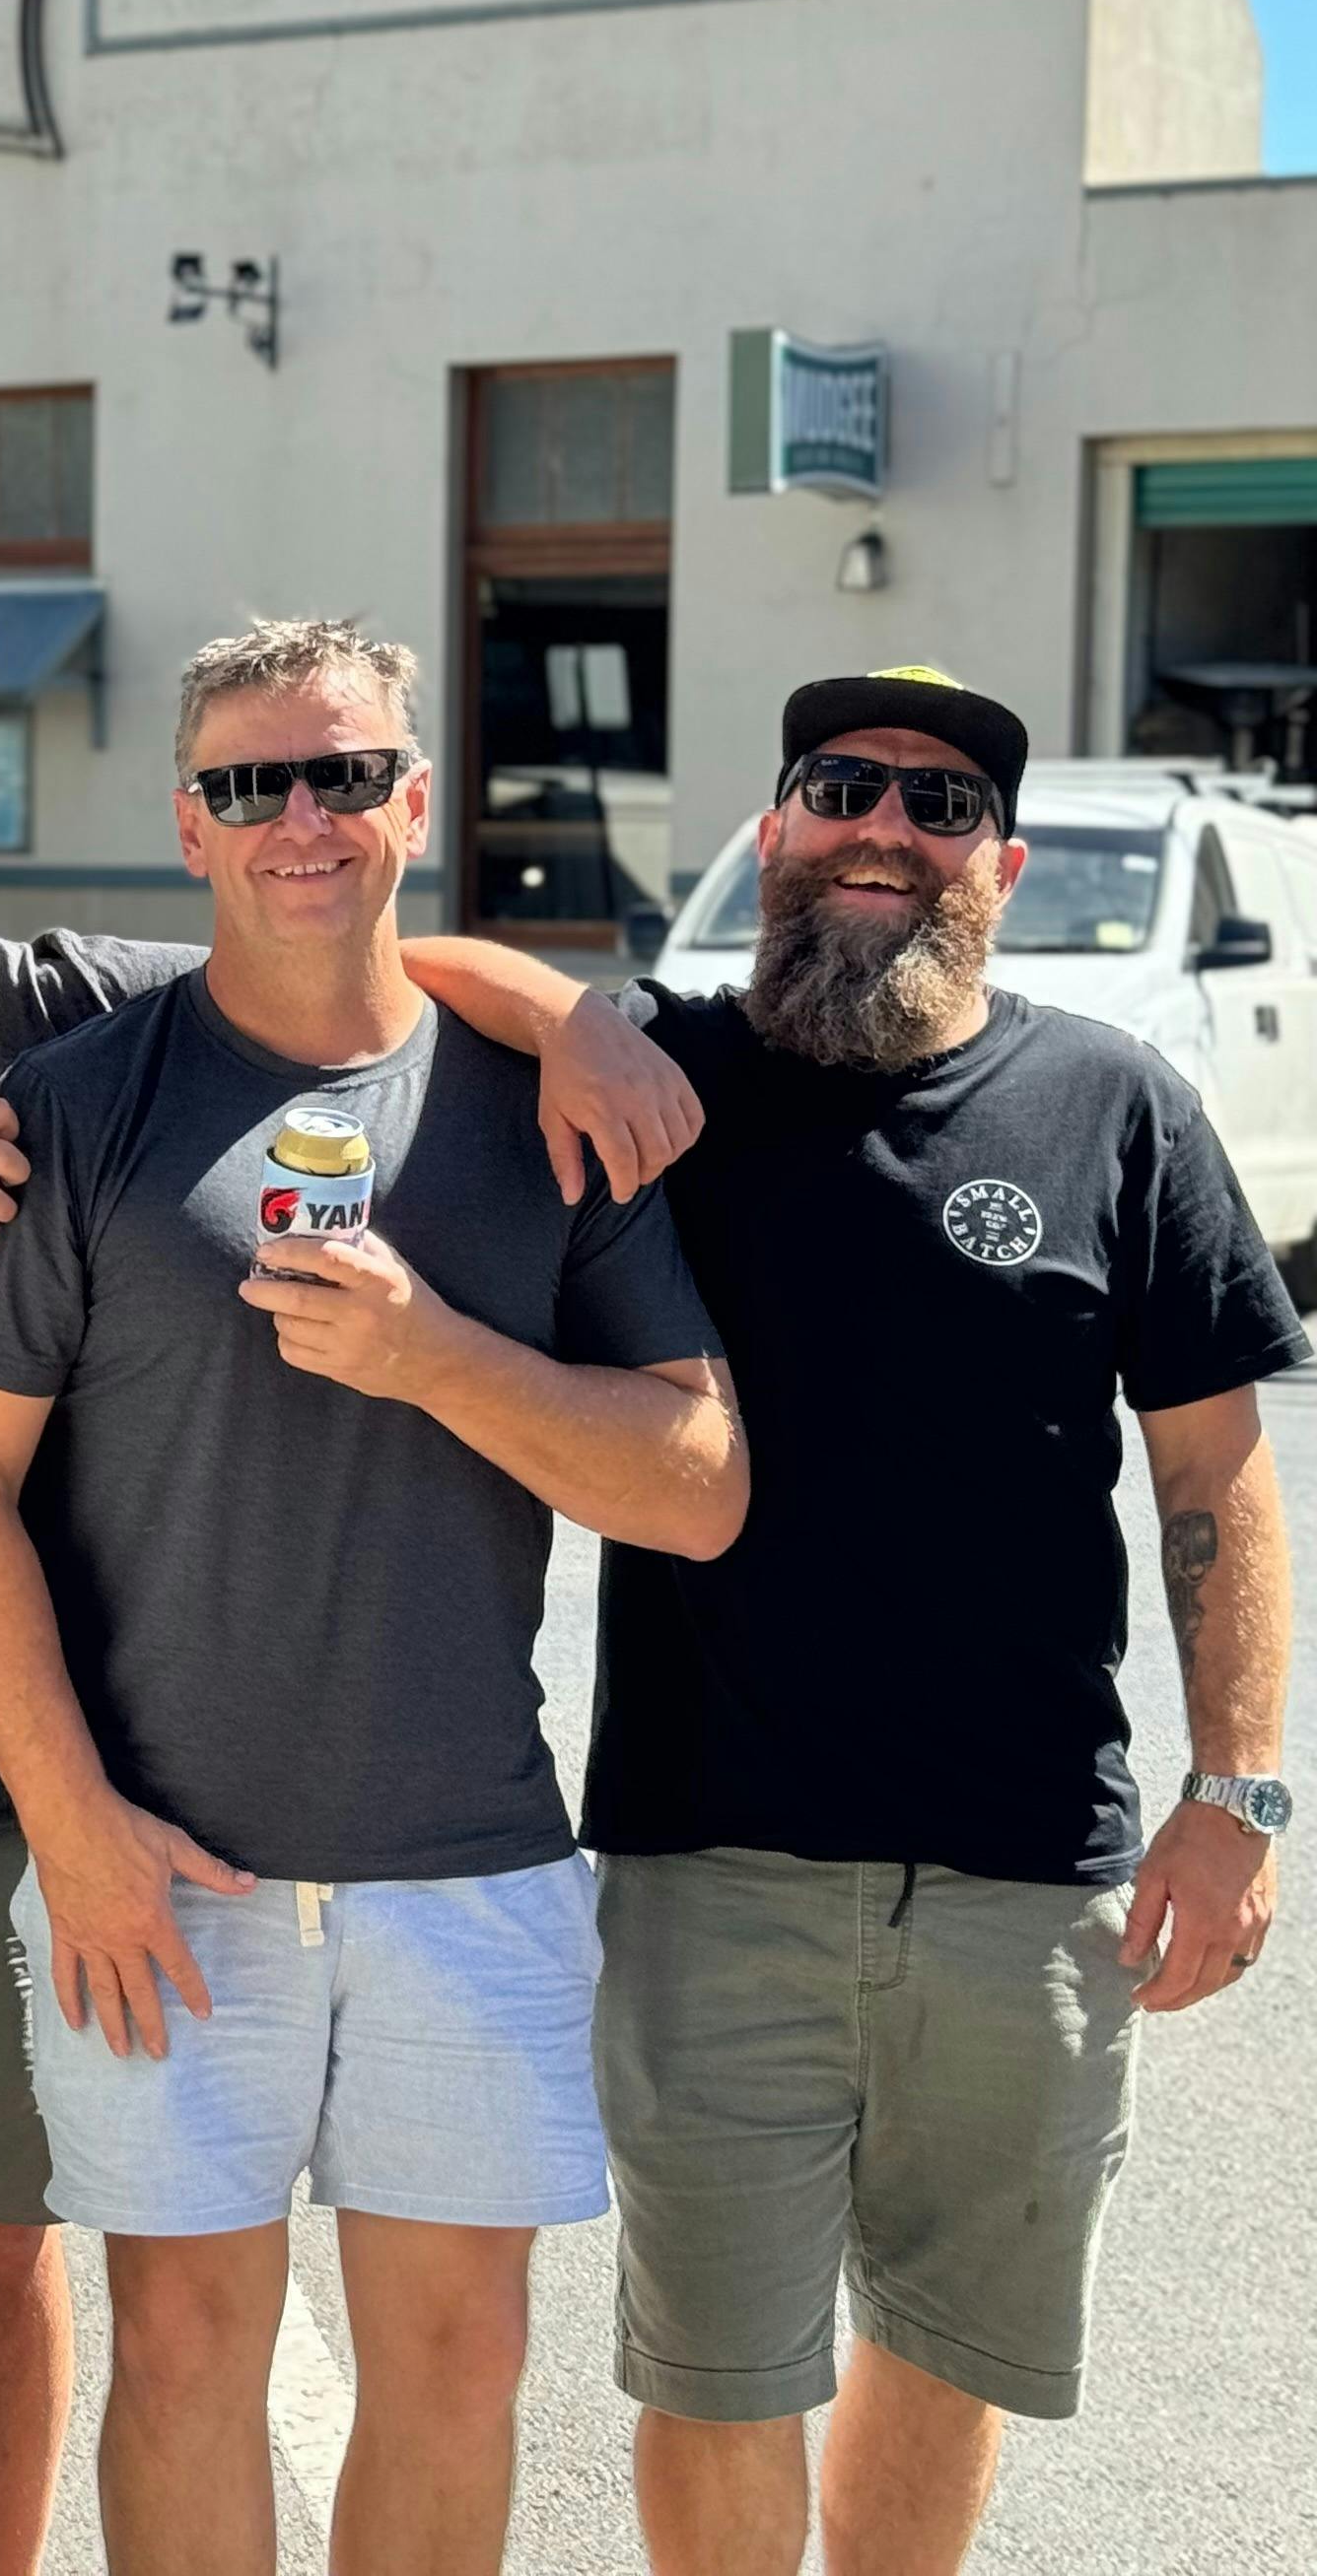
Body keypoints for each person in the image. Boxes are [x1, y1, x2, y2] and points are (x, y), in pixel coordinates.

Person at [0, 634, 699, 2576]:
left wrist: (573, 1013)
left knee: (36, 2276)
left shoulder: (70, 1009)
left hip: (25, 1796)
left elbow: (338, 963)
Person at [0, 616, 748, 2576]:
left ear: (414, 803)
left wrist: (438, 1355)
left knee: (457, 2366)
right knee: (185, 2353)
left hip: (471, 1861)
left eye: (345, 773)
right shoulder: (79, 1114)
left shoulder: (555, 1116)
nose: (302, 816)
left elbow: (699, 1496)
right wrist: (70, 1824)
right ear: (187, 823)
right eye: (250, 782)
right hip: (158, 1873)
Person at [581, 667, 1300, 2576]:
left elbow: (1220, 1474)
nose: (889, 826)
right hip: (709, 1862)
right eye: (843, 784)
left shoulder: (1113, 1104)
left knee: (946, 2351)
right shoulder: (667, 1082)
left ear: (1005, 859)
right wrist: (569, 1009)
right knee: (711, 2373)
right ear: (778, 822)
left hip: (1020, 1884)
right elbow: (422, 971)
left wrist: (1247, 1793)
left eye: (942, 802)